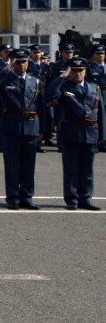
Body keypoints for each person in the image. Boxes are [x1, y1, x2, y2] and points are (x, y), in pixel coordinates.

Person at [46, 57, 105, 210]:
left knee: (87, 170)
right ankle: (72, 198)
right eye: (74, 71)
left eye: (81, 70)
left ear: (85, 72)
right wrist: (62, 76)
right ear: (70, 72)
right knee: (71, 169)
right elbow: (50, 93)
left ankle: (86, 198)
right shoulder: (64, 87)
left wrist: (102, 136)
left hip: (90, 133)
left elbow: (101, 113)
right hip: (71, 133)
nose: (78, 73)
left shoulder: (95, 88)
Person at [0, 48, 44, 209]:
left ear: (28, 63)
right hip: (11, 127)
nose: (21, 65)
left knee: (29, 165)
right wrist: (4, 71)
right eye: (18, 62)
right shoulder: (4, 80)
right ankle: (13, 196)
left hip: (31, 127)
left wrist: (43, 130)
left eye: (24, 62)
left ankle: (27, 197)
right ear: (13, 63)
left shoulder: (35, 81)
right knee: (12, 165)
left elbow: (42, 108)